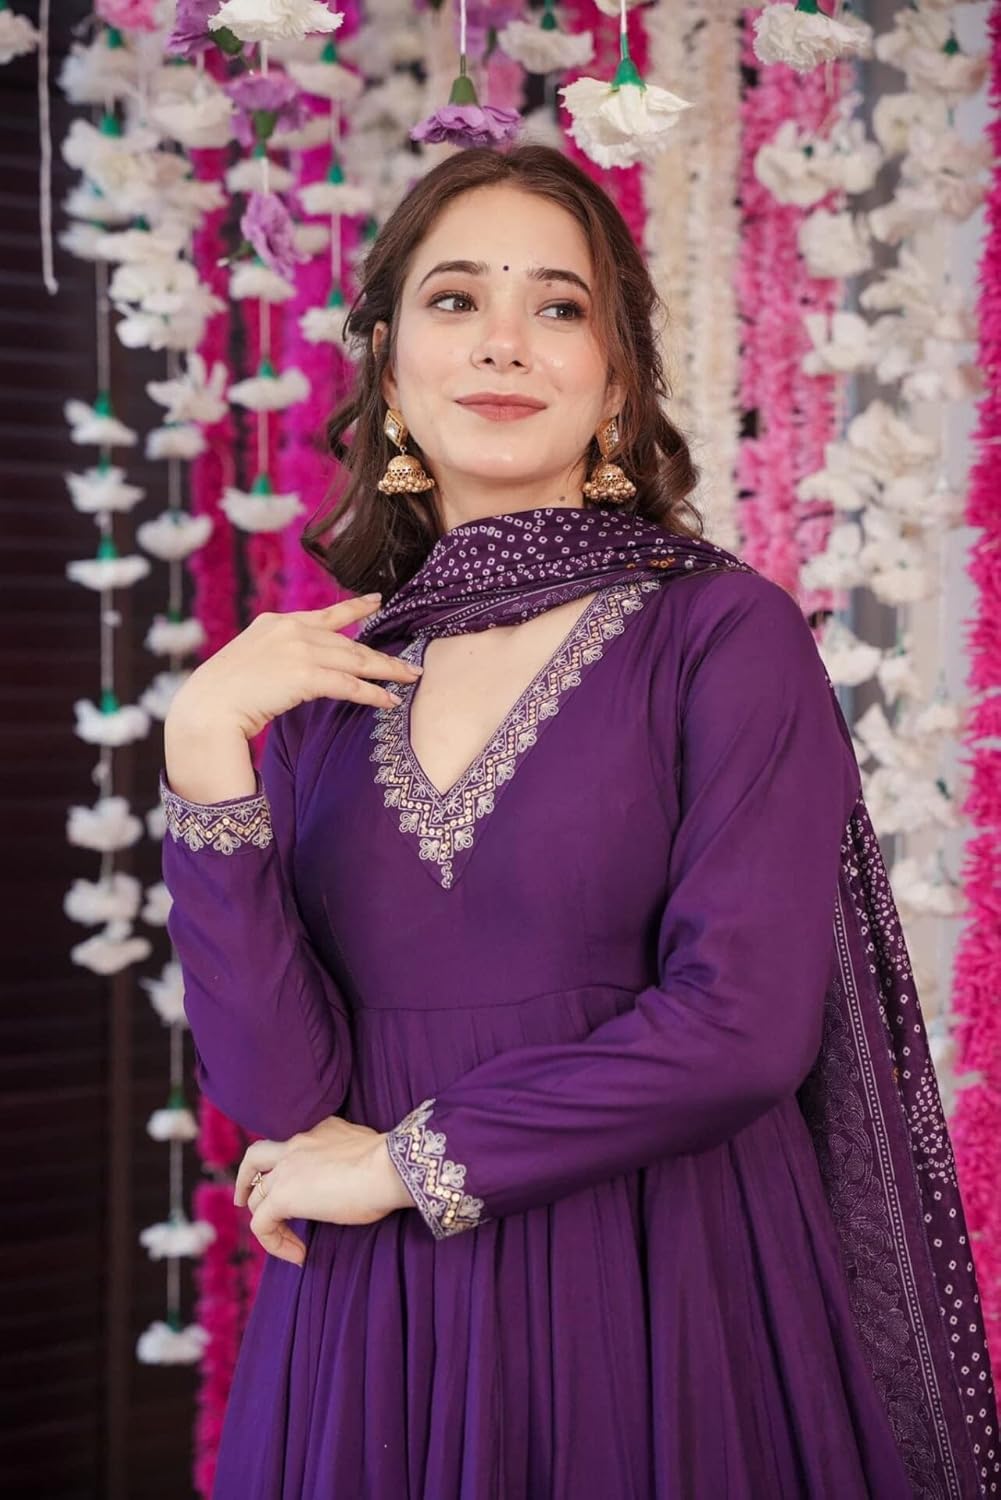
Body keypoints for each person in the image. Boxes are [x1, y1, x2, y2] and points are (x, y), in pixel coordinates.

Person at [159, 145, 999, 1498]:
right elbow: (279, 1101)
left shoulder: (719, 634)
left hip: (662, 1291)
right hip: (380, 1336)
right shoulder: (322, 686)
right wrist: (204, 754)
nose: (504, 340)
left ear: (615, 383)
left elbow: (742, 1027)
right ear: (388, 374)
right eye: (455, 300)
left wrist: (409, 1166)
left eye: (558, 306)